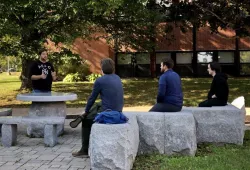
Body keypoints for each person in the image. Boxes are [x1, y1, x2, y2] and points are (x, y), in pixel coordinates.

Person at [72, 58, 124, 158]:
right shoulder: (117, 78)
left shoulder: (100, 81)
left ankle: (84, 150)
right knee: (97, 105)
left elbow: (92, 98)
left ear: (102, 69)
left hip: (108, 112)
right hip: (118, 109)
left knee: (87, 119)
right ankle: (86, 114)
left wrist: (86, 111)